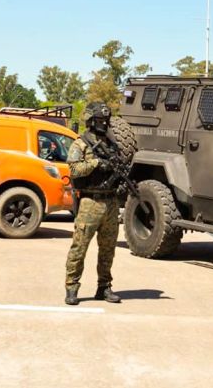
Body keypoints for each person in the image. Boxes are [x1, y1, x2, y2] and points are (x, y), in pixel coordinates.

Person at [64, 102, 124, 305]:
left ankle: (104, 287)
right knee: (79, 247)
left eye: (105, 120)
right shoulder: (80, 144)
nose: (103, 123)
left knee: (108, 249)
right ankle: (72, 287)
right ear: (90, 120)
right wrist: (96, 163)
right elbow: (73, 170)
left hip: (110, 201)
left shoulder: (111, 143)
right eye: (99, 120)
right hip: (90, 202)